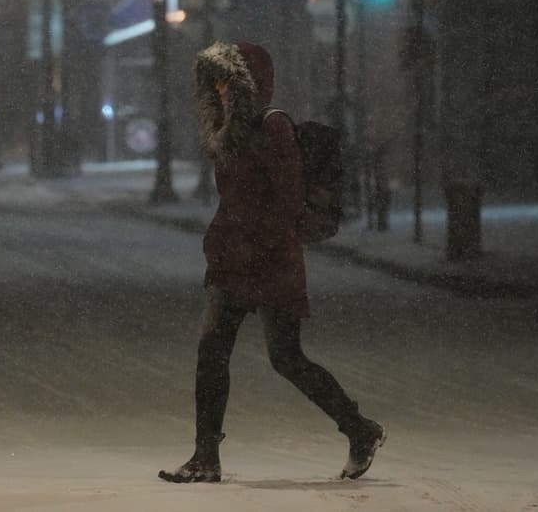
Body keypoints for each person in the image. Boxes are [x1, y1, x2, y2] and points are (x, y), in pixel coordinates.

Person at [158, 41, 385, 484]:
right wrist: (221, 239)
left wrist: (255, 243)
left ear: (249, 83)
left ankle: (360, 429)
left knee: (286, 358)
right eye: (215, 82)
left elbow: (287, 198)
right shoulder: (229, 134)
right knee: (212, 352)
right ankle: (205, 456)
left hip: (270, 260)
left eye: (227, 80)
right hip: (233, 260)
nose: (220, 90)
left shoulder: (272, 126)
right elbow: (235, 200)